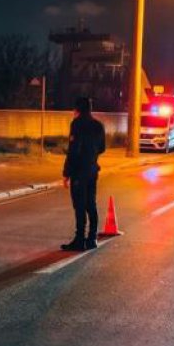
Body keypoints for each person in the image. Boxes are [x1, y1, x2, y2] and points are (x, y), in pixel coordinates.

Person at [61, 96, 106, 251]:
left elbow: (73, 150)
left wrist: (66, 173)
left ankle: (80, 239)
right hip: (93, 169)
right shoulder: (98, 125)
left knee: (79, 206)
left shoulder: (77, 124)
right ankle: (92, 238)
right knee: (91, 204)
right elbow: (102, 148)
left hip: (79, 171)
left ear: (77, 109)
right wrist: (92, 154)